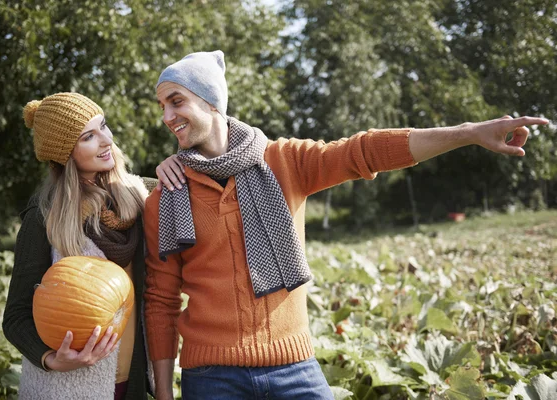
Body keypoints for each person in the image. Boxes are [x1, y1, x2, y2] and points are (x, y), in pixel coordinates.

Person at [144, 50, 549, 399]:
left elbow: (365, 151)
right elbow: (161, 301)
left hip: (293, 366)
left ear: (212, 102)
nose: (167, 116)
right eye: (162, 106)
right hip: (212, 378)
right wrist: (164, 392)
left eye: (176, 101)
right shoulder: (166, 197)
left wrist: (469, 133)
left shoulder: (285, 161)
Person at [3, 92, 156, 399]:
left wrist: (177, 166)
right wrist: (51, 359)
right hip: (65, 388)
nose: (106, 140)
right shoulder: (45, 216)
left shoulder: (141, 195)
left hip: (132, 383)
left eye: (104, 126)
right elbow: (16, 317)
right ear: (66, 153)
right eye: (89, 136)